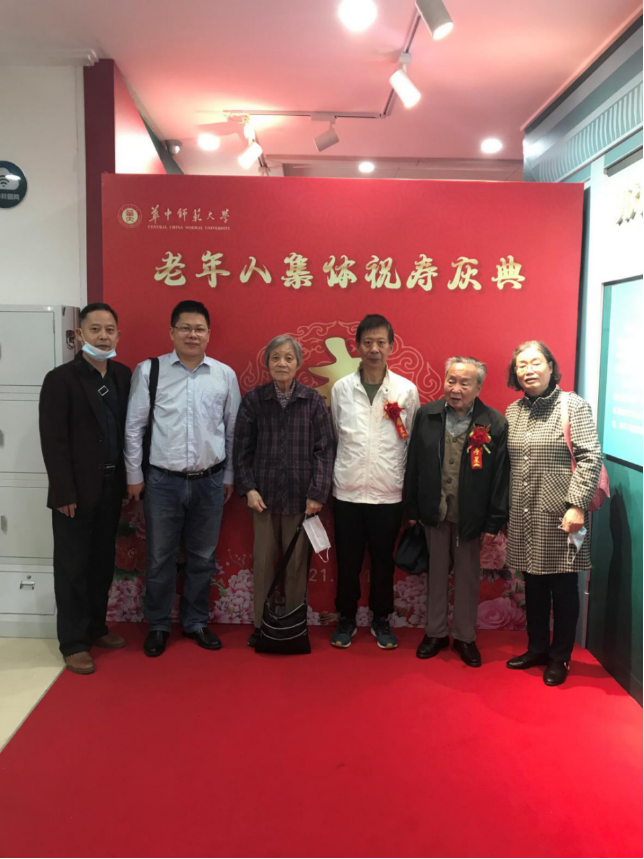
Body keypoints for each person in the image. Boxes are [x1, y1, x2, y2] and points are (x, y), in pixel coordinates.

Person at [124, 300, 241, 657]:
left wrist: (230, 475)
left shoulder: (224, 375)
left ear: (209, 334)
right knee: (159, 557)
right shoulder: (150, 371)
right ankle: (158, 625)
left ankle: (195, 621)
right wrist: (134, 475)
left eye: (199, 328)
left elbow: (233, 430)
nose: (193, 334)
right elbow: (134, 427)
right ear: (172, 332)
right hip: (162, 482)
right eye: (185, 328)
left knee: (202, 557)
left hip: (210, 481)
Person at [39, 303, 131, 675]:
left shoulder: (123, 375)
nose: (103, 336)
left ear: (118, 334)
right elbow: (53, 440)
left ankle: (96, 627)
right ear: (80, 334)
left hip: (111, 486)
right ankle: (74, 642)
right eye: (95, 329)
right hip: (74, 493)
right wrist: (63, 492)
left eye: (109, 330)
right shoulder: (60, 379)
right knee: (72, 566)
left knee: (101, 562)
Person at [504, 340, 602, 686]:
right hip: (524, 512)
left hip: (563, 515)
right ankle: (537, 649)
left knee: (562, 587)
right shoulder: (513, 411)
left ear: (550, 366)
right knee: (532, 585)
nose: (528, 370)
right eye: (521, 365)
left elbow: (590, 457)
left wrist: (577, 505)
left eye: (535, 362)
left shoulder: (573, 405)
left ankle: (560, 657)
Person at [405, 357, 509, 667]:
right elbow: (413, 463)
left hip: (470, 516)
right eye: (451, 380)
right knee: (436, 574)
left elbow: (500, 477)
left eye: (465, 383)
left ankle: (465, 637)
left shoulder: (493, 422)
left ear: (478, 387)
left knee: (467, 577)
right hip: (434, 512)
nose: (456, 388)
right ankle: (435, 633)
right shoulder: (427, 414)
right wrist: (412, 507)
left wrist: (494, 520)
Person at [234, 335, 334, 646]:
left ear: (298, 363)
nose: (282, 363)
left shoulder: (312, 400)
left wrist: (317, 493)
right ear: (267, 362)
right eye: (276, 357)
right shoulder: (255, 400)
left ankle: (293, 625)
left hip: (301, 500)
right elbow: (241, 449)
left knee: (296, 566)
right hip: (262, 498)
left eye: (289, 358)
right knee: (264, 564)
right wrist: (248, 488)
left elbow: (324, 450)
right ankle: (261, 625)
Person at [330, 314, 420, 649]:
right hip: (348, 492)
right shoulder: (341, 389)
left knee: (383, 563)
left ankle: (381, 619)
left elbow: (411, 443)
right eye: (367, 342)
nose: (374, 349)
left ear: (392, 346)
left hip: (388, 493)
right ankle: (346, 618)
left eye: (381, 342)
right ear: (357, 346)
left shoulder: (405, 391)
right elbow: (336, 436)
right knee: (348, 562)